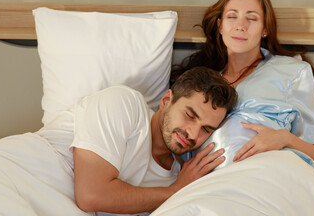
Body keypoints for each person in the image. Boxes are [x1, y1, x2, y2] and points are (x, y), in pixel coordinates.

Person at [171, 0, 314, 170]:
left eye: (252, 19)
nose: (240, 26)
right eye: (232, 17)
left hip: (271, 173)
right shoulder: (199, 81)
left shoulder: (293, 71)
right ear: (220, 25)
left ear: (265, 29)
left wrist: (283, 137)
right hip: (211, 184)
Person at [39, 66, 237, 215]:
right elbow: (91, 195)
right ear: (166, 101)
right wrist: (174, 191)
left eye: (206, 129)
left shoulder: (178, 177)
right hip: (28, 176)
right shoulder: (124, 104)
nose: (193, 134)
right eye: (190, 115)